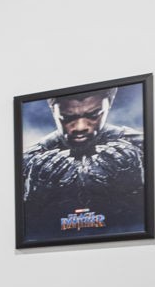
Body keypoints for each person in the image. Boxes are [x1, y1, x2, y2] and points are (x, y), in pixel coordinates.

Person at [19, 87, 146, 241]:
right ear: (54, 111)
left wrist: (134, 187)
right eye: (67, 118)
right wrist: (36, 198)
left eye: (93, 115)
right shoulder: (28, 160)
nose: (80, 127)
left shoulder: (142, 146)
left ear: (109, 105)